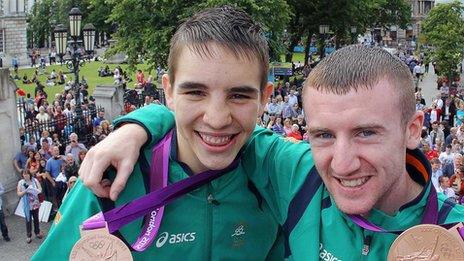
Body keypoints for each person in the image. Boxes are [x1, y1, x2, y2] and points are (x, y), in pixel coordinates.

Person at [80, 45, 464, 259]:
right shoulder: (299, 174)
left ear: (413, 129)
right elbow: (217, 123)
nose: (343, 163)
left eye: (366, 133)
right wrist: (136, 127)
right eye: (323, 135)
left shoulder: (456, 233)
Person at [33, 6, 283, 260]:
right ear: (169, 92)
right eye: (195, 92)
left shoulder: (274, 179)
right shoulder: (107, 178)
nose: (216, 120)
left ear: (264, 98)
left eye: (239, 95)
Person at [17, 169, 43, 243]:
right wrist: (25, 191)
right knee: (28, 220)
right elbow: (18, 193)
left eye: (27, 174)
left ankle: (37, 232)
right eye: (24, 174)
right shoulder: (21, 182)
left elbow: (40, 189)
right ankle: (29, 235)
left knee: (36, 219)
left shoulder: (34, 180)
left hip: (35, 203)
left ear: (30, 174)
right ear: (22, 175)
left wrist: (35, 190)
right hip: (27, 205)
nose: (26, 175)